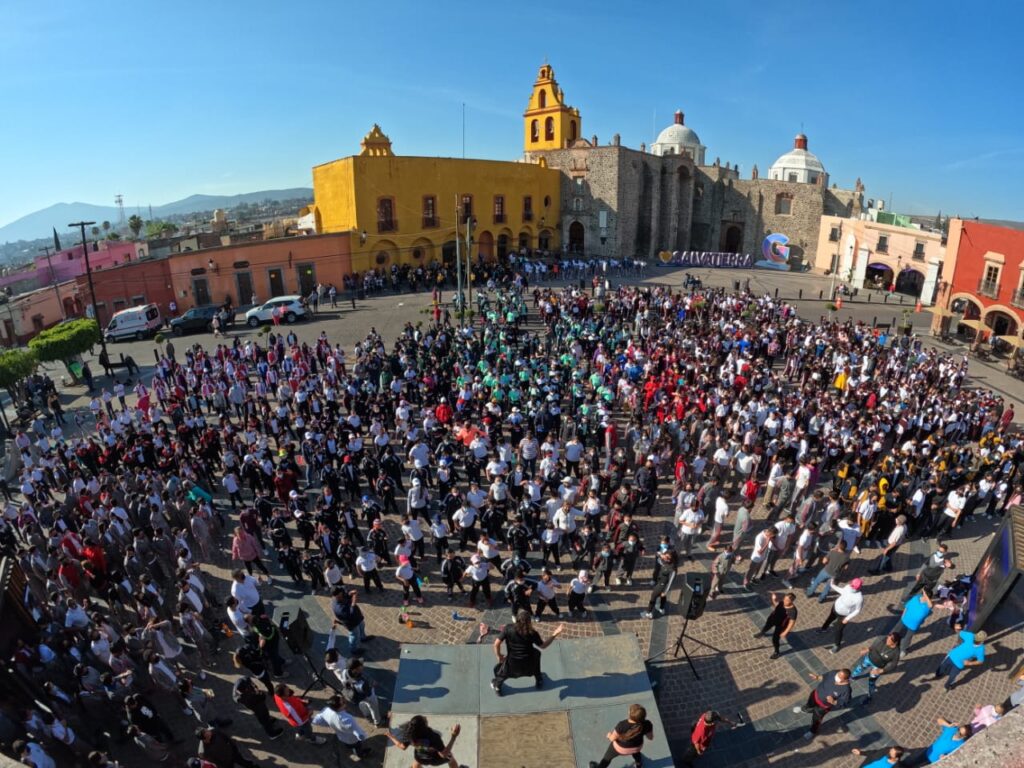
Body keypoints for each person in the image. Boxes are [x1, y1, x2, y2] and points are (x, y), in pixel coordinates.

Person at [491, 610, 564, 695]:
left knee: (503, 673)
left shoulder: (508, 628)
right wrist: (555, 633)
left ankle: (497, 686)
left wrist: (499, 656)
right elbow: (543, 646)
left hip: (513, 663)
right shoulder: (532, 633)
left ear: (517, 620)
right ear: (529, 622)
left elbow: (496, 644)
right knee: (536, 654)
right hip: (529, 663)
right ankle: (539, 679)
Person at [588, 703, 655, 768]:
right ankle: (639, 764)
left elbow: (612, 738)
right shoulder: (647, 724)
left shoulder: (622, 725)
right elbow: (650, 737)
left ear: (629, 714)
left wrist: (609, 735)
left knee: (606, 758)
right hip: (636, 748)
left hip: (620, 748)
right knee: (637, 754)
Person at [793, 669, 852, 739]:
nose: (836, 677)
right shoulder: (834, 673)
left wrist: (833, 701)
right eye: (838, 674)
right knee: (809, 705)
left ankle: (812, 731)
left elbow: (844, 703)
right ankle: (804, 709)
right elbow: (825, 676)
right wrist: (817, 677)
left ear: (845, 679)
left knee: (816, 719)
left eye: (839, 677)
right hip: (815, 695)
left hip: (823, 707)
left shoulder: (846, 690)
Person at [386, 715, 462, 768]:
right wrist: (453, 737)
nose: (425, 717)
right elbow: (443, 755)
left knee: (416, 763)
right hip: (436, 759)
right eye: (424, 719)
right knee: (451, 759)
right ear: (424, 726)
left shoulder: (410, 735)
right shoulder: (433, 737)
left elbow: (402, 746)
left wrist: (391, 736)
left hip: (421, 757)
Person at [851, 632, 902, 704]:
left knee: (871, 682)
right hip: (869, 659)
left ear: (895, 643)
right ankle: (852, 676)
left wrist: (882, 670)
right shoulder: (884, 639)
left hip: (877, 667)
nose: (887, 640)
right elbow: (875, 645)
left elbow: (893, 665)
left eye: (889, 640)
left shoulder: (896, 652)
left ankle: (869, 696)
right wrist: (867, 649)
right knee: (860, 667)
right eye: (887, 638)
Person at [819, 577, 864, 652]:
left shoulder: (859, 598)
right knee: (830, 618)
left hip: (844, 615)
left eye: (854, 586)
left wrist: (847, 618)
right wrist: (832, 585)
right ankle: (823, 629)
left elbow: (857, 610)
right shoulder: (848, 587)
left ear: (858, 588)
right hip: (835, 608)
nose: (852, 587)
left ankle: (837, 645)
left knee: (838, 630)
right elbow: (841, 591)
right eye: (852, 585)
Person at [902, 719, 971, 767]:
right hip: (928, 751)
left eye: (960, 733)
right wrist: (948, 724)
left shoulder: (960, 745)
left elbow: (953, 756)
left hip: (932, 761)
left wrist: (945, 757)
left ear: (964, 736)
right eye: (959, 730)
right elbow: (939, 720)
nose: (958, 732)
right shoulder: (952, 729)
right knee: (910, 763)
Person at [754, 592, 797, 659]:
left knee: (775, 639)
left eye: (787, 600)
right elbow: (777, 605)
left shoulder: (793, 611)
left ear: (791, 601)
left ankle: (777, 652)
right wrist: (773, 599)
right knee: (766, 626)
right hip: (773, 618)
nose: (784, 601)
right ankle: (762, 633)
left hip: (781, 625)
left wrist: (785, 632)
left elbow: (792, 622)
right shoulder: (782, 602)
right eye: (784, 599)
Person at [195, 726, 260, 768]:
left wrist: (234, 749)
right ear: (204, 739)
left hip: (233, 753)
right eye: (207, 734)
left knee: (244, 762)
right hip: (226, 764)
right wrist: (223, 765)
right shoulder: (203, 752)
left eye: (207, 730)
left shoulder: (214, 731)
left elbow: (227, 738)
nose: (209, 731)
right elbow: (214, 761)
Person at [641, 546, 678, 619]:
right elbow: (658, 558)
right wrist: (661, 555)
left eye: (668, 557)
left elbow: (670, 582)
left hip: (662, 585)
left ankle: (649, 612)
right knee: (662, 597)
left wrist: (665, 592)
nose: (666, 558)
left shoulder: (672, 569)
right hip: (659, 582)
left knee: (653, 597)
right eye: (666, 556)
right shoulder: (665, 562)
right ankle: (661, 608)